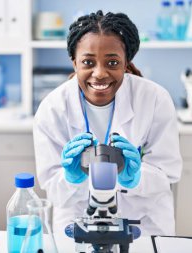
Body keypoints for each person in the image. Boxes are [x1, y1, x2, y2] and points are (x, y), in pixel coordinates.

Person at [33, 10, 182, 236]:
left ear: (126, 63)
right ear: (74, 63)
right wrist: (70, 177)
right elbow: (53, 191)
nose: (100, 73)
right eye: (87, 62)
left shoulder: (154, 100)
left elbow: (168, 173)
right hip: (77, 220)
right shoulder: (52, 109)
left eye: (112, 62)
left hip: (143, 221)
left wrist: (136, 177)